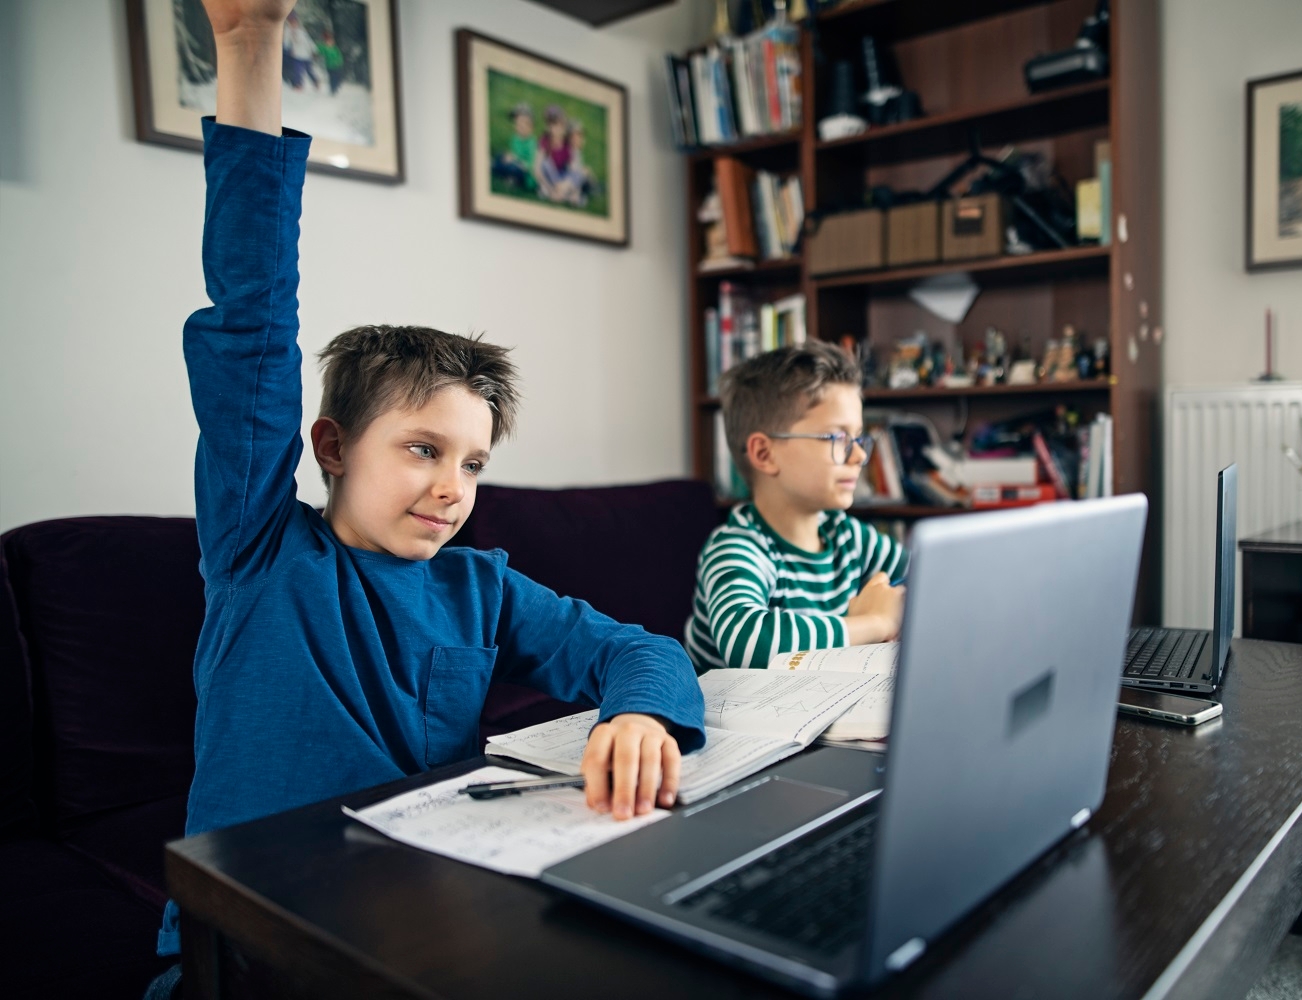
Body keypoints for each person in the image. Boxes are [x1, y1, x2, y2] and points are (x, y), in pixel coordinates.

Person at [146, 3, 703, 991]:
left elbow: (636, 647)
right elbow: (251, 325)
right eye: (421, 450)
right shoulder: (258, 552)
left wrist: (641, 717)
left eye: (475, 462)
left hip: (419, 921)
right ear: (331, 446)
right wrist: (248, 47)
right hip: (246, 938)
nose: (453, 488)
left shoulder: (479, 584)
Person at [685, 343, 908, 672]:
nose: (859, 456)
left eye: (859, 438)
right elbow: (749, 643)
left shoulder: (849, 537)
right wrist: (876, 622)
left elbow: (935, 583)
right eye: (836, 438)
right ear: (764, 454)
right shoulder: (737, 547)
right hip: (734, 718)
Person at [493, 102, 539, 192]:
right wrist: (509, 156)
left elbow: (530, 166)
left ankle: (511, 178)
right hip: (514, 164)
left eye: (523, 124)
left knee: (514, 169)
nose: (519, 127)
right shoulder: (515, 138)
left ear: (531, 127)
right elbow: (513, 153)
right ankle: (497, 168)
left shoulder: (532, 143)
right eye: (517, 124)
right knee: (500, 155)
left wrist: (515, 160)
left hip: (526, 175)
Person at [316, 28, 344, 95]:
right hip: (330, 66)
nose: (330, 42)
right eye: (328, 41)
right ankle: (332, 89)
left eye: (331, 41)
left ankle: (336, 87)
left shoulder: (335, 48)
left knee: (338, 77)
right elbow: (319, 50)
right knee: (332, 78)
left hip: (337, 65)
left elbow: (339, 55)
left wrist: (340, 62)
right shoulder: (324, 47)